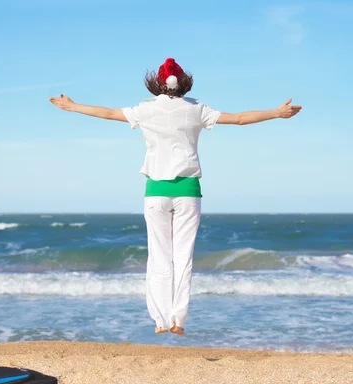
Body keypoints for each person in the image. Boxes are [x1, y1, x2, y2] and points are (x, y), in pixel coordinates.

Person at [49, 58, 302, 336]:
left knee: (159, 257)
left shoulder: (145, 110)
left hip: (156, 191)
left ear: (157, 83)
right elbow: (240, 119)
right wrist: (277, 113)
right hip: (188, 191)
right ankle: (177, 320)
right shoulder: (196, 109)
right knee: (183, 257)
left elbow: (108, 113)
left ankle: (159, 320)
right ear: (184, 83)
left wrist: (72, 106)